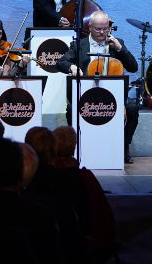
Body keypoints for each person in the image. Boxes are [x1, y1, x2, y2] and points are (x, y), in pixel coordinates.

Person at [56, 10, 139, 163]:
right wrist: (71, 67)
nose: (102, 32)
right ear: (90, 27)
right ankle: (76, 146)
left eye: (105, 28)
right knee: (71, 109)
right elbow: (60, 62)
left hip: (112, 96)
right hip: (87, 95)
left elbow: (133, 67)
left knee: (133, 108)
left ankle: (124, 146)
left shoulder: (116, 43)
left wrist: (121, 49)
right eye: (98, 29)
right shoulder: (79, 45)